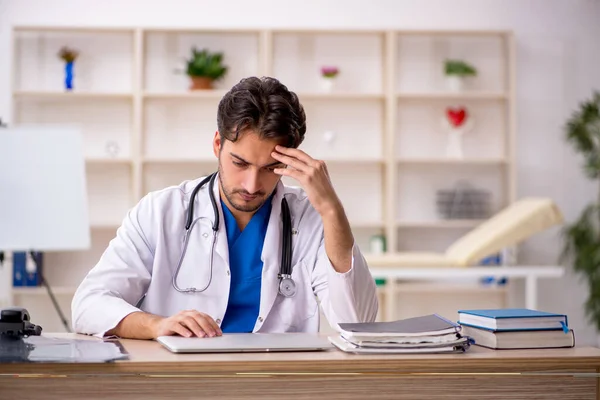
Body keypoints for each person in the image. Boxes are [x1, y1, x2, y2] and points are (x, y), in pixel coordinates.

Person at [71, 76, 378, 339]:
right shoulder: (160, 212)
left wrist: (331, 209)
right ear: (218, 144)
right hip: (181, 381)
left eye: (270, 168)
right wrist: (158, 325)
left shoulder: (310, 219)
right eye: (239, 163)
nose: (251, 184)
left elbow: (358, 324)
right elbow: (89, 304)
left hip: (275, 383)